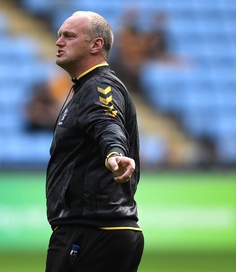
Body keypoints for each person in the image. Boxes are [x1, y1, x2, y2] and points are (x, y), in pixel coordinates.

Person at [45, 11, 144, 272]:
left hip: (91, 231)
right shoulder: (86, 87)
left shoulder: (99, 86)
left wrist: (114, 153)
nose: (59, 41)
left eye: (68, 36)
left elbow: (107, 123)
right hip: (97, 230)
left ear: (96, 45)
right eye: (59, 35)